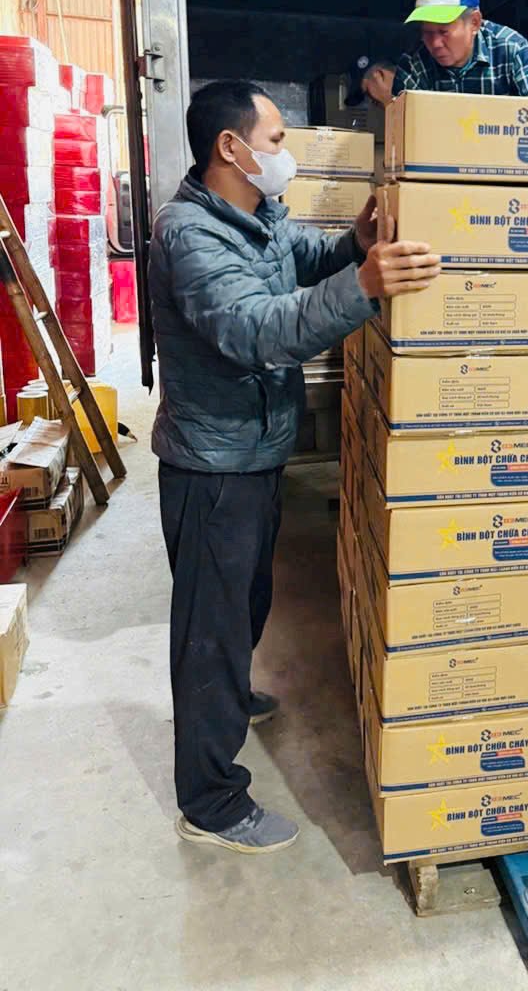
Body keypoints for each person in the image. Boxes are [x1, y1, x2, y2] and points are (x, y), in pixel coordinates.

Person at [149, 80, 441, 853]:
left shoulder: (257, 214)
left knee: (246, 599)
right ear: (231, 147)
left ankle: (230, 697)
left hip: (256, 448)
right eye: (276, 140)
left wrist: (352, 245)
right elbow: (255, 330)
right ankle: (210, 801)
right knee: (209, 631)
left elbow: (302, 258)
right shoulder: (188, 235)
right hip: (212, 466)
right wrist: (364, 285)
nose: (285, 154)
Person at [393, 0, 528, 97]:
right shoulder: (413, 63)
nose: (435, 43)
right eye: (427, 32)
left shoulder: (510, 48)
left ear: (474, 22)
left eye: (443, 31)